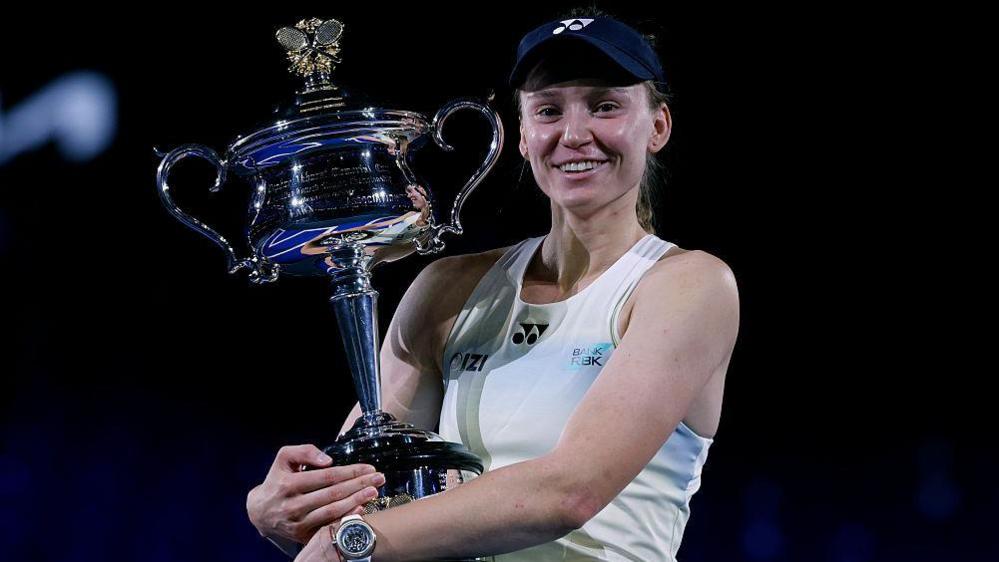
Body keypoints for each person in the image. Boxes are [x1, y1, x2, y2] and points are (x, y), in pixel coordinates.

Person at [247, 11, 740, 561]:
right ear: (524, 137)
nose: (575, 135)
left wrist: (352, 543)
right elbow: (366, 494)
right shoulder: (448, 289)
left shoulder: (688, 286)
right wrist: (285, 510)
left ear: (658, 127)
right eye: (548, 110)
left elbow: (569, 492)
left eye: (605, 105)